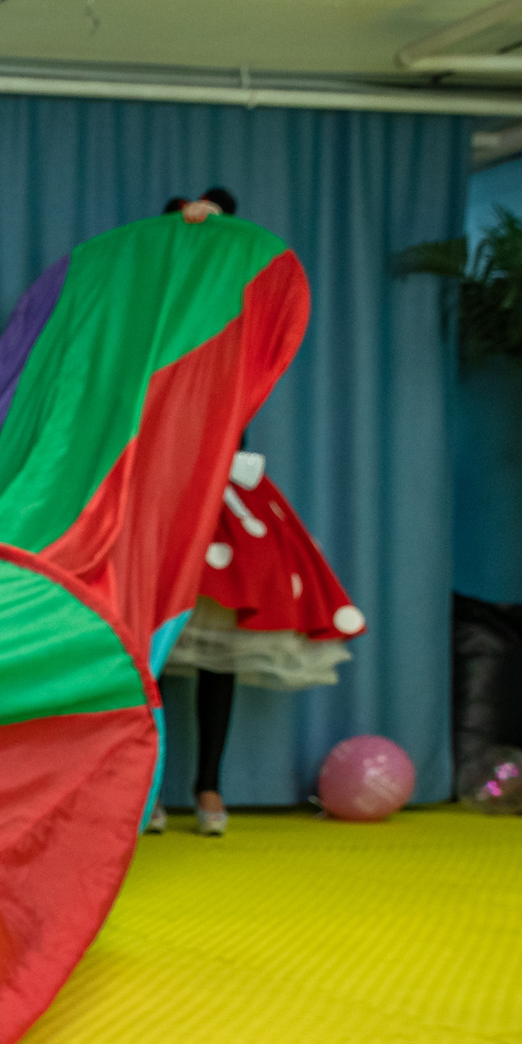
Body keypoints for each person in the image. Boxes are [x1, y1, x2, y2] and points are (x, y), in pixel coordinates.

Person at [143, 192, 367, 837]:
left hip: (221, 491)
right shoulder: (154, 319)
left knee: (221, 652)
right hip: (158, 492)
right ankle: (145, 788)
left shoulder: (239, 318)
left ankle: (207, 786)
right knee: (145, 654)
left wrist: (220, 228)